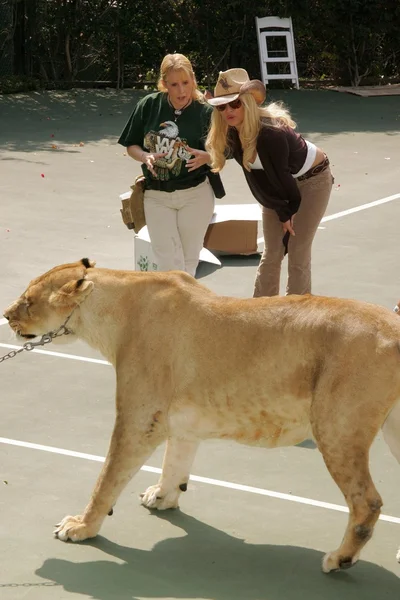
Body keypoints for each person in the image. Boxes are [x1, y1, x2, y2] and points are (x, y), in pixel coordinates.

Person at [206, 68, 333, 297]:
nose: (228, 111)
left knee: (297, 249)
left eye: (235, 103)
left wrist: (287, 213)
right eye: (221, 106)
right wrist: (281, 211)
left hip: (313, 181)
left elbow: (285, 185)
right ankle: (261, 313)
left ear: (247, 103)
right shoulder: (233, 134)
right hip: (277, 188)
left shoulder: (270, 134)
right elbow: (258, 184)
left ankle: (297, 316)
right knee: (272, 251)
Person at [118, 53, 224, 276]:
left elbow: (226, 150)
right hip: (157, 195)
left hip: (195, 194)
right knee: (167, 264)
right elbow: (131, 145)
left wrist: (207, 156)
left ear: (193, 80)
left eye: (186, 83)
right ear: (164, 84)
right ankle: (179, 309)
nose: (181, 91)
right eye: (174, 84)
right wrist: (144, 156)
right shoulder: (149, 105)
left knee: (188, 263)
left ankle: (183, 311)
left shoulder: (207, 111)